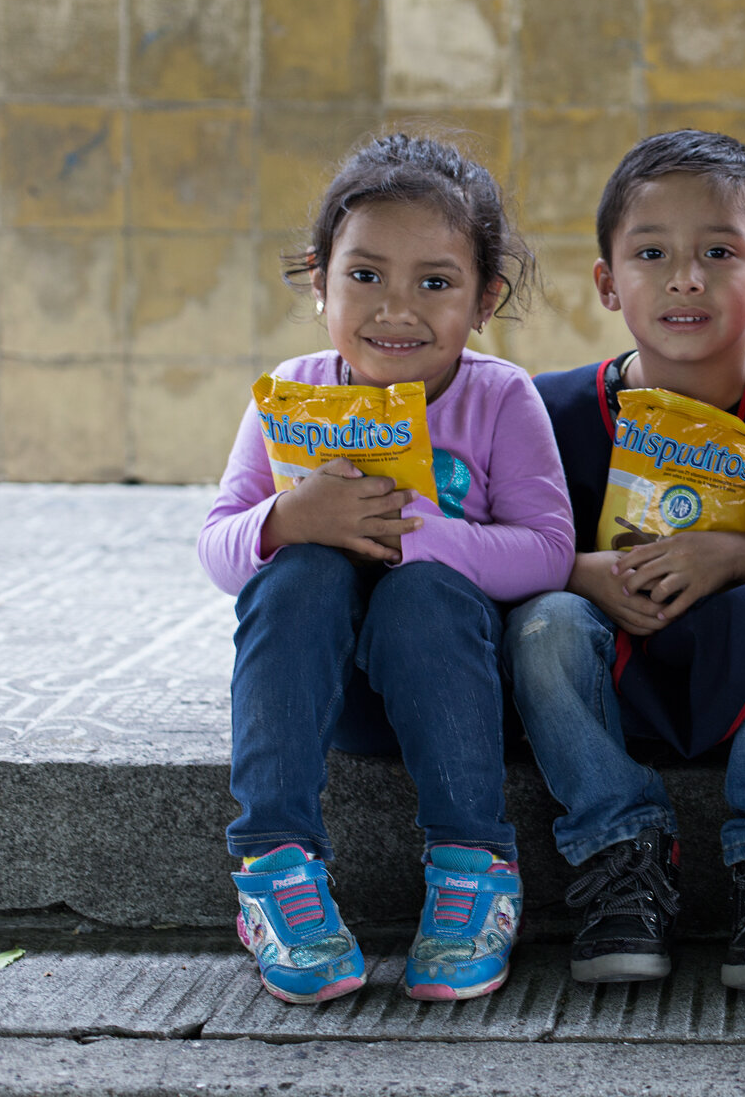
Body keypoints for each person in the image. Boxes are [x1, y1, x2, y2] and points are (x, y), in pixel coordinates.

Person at [198, 133, 575, 1005]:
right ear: (318, 278)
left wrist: (423, 536)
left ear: (485, 299)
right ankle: (274, 868)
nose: (395, 309)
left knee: (421, 592)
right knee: (296, 575)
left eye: (435, 283)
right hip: (319, 696)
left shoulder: (498, 397)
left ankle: (475, 866)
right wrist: (287, 520)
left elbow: (549, 550)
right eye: (364, 276)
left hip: (453, 692)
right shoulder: (292, 391)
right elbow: (217, 549)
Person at [506, 131, 745, 993]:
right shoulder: (548, 413)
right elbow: (495, 550)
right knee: (543, 618)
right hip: (608, 676)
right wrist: (574, 571)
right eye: (651, 253)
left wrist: (739, 555)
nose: (684, 277)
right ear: (609, 283)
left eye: (718, 252)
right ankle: (619, 854)